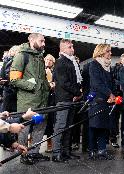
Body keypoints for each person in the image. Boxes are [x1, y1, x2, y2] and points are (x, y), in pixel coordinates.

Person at [10, 33, 50, 165]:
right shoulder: (21, 55)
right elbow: (14, 80)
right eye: (41, 41)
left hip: (42, 100)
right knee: (24, 128)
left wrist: (47, 86)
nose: (44, 43)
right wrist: (33, 86)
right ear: (32, 40)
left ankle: (34, 152)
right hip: (27, 102)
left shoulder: (40, 57)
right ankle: (24, 154)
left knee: (40, 126)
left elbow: (42, 78)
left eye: (44, 41)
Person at [52, 39, 82, 162]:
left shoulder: (72, 62)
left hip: (72, 99)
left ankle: (66, 151)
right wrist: (78, 92)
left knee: (69, 127)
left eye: (72, 46)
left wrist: (77, 93)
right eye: (69, 47)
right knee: (60, 126)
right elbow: (64, 82)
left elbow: (76, 81)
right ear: (63, 49)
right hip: (64, 99)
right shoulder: (60, 62)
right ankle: (56, 153)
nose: (72, 48)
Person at [88, 44, 115, 160]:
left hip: (106, 100)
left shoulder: (108, 66)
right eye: (108, 51)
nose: (110, 53)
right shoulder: (94, 65)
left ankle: (102, 150)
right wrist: (110, 93)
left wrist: (111, 95)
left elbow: (110, 83)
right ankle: (92, 150)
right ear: (100, 52)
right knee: (94, 126)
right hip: (97, 100)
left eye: (110, 51)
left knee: (104, 126)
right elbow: (96, 83)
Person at [110, 53, 124, 148]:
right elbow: (111, 80)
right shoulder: (115, 68)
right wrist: (120, 84)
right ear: (121, 59)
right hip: (117, 97)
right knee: (114, 119)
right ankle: (113, 139)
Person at [44, 54, 56, 153]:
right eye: (47, 59)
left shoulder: (54, 71)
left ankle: (49, 143)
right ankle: (30, 144)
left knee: (50, 122)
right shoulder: (40, 70)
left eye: (50, 60)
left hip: (51, 99)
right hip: (42, 99)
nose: (48, 61)